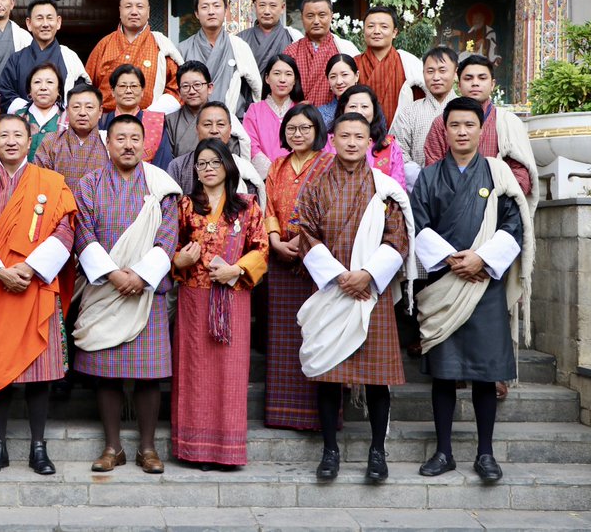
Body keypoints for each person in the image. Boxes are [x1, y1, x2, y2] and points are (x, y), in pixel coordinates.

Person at [411, 97, 533, 484]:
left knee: (485, 373)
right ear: (444, 131)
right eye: (455, 125)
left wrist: (481, 259)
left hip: (484, 284)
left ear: (482, 130)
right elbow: (419, 225)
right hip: (445, 284)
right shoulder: (429, 177)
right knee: (443, 373)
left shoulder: (498, 174)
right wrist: (452, 260)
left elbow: (513, 225)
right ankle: (443, 452)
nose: (462, 132)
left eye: (469, 125)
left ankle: (486, 454)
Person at [296, 112, 414, 483]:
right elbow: (306, 234)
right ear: (332, 140)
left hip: (371, 292)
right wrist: (339, 277)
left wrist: (367, 275)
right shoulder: (316, 186)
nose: (351, 142)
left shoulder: (385, 188)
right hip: (332, 289)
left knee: (377, 379)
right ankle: (330, 450)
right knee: (329, 375)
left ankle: (378, 451)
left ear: (369, 142)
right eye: (344, 135)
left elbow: (398, 238)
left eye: (359, 136)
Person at [0, 115, 77, 475]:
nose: (10, 141)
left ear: (30, 141)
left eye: (17, 135)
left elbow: (65, 230)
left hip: (36, 286)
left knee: (39, 370)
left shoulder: (51, 183)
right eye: (3, 135)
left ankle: (38, 448)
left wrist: (30, 268)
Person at [73, 115, 181, 474]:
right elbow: (83, 233)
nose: (129, 144)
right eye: (120, 138)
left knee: (149, 375)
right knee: (107, 373)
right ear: (108, 143)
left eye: (135, 138)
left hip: (147, 291)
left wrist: (141, 275)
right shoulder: (89, 184)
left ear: (145, 144)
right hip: (105, 288)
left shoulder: (160, 184)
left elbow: (169, 235)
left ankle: (147, 449)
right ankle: (112, 447)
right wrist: (114, 275)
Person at [171, 138, 267, 470]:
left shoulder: (247, 206)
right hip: (193, 301)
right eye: (202, 164)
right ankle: (194, 448)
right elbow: (168, 247)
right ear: (195, 171)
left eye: (215, 162)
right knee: (194, 371)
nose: (209, 168)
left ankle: (226, 450)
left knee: (230, 373)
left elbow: (262, 248)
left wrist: (236, 269)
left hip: (233, 298)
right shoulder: (185, 206)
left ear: (228, 166)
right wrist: (180, 259)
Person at [263, 104, 335, 430]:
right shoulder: (277, 165)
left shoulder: (329, 164)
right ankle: (281, 413)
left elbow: (331, 211)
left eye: (305, 128)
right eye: (292, 128)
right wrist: (275, 240)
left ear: (317, 131)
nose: (298, 133)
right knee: (284, 338)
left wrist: (304, 241)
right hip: (281, 259)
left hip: (316, 261)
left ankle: (317, 418)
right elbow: (268, 207)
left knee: (316, 335)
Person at [422, 55, 537, 205]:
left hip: (499, 205)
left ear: (492, 84)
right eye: (468, 78)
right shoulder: (441, 123)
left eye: (482, 78)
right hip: (451, 205)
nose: (475, 83)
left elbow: (522, 173)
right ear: (459, 85)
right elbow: (433, 168)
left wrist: (497, 200)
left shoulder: (508, 122)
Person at [87, 0, 182, 114]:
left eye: (140, 6)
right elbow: (87, 86)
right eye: (128, 6)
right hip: (106, 120)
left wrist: (149, 113)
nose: (134, 12)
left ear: (148, 12)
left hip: (149, 119)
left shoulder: (162, 45)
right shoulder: (104, 45)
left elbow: (177, 88)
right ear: (120, 11)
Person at [178, 0, 262, 117]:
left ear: (226, 11)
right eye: (205, 7)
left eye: (216, 6)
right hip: (193, 118)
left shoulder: (239, 46)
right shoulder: (183, 49)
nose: (211, 12)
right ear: (197, 14)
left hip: (232, 120)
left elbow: (255, 87)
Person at [0, 0, 88, 113]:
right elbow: (6, 94)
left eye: (49, 18)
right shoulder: (16, 59)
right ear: (29, 23)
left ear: (58, 22)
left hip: (62, 121)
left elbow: (81, 95)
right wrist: (32, 113)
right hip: (24, 121)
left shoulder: (70, 58)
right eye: (39, 18)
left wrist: (57, 115)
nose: (45, 24)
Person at [166, 101, 264, 201]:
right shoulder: (178, 166)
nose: (214, 130)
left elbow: (252, 207)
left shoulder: (245, 169)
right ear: (197, 130)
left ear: (230, 130)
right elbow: (169, 206)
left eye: (220, 124)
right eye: (207, 124)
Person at [392, 46, 459, 187]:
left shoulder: (467, 111)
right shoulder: (409, 112)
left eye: (442, 70)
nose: (436, 77)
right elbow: (398, 152)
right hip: (419, 187)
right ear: (423, 73)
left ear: (455, 73)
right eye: (430, 71)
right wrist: (424, 180)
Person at [283, 0, 360, 107]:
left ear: (331, 16)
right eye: (310, 16)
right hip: (299, 114)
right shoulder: (291, 51)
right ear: (302, 18)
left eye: (322, 15)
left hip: (338, 112)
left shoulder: (345, 48)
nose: (316, 21)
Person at [354, 6, 423, 127]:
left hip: (402, 134)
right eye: (370, 26)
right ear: (364, 30)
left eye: (384, 27)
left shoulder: (408, 63)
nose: (376, 31)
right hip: (360, 133)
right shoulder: (353, 64)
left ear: (394, 32)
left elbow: (420, 103)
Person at [35, 83, 109, 192]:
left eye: (89, 107)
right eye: (76, 107)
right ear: (67, 111)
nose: (82, 113)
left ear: (100, 111)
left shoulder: (109, 143)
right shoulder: (50, 141)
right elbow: (40, 181)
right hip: (57, 202)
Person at [97, 65, 173, 170]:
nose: (128, 91)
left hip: (147, 178)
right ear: (113, 91)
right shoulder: (101, 121)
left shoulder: (156, 122)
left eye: (134, 86)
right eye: (122, 86)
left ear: (142, 91)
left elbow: (163, 160)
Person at [333, 84, 407, 189]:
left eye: (364, 106)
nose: (359, 111)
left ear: (374, 111)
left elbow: (398, 188)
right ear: (343, 109)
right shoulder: (329, 141)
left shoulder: (388, 145)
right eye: (353, 106)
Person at [243, 53, 304, 176]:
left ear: (295, 80)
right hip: (265, 178)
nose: (282, 79)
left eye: (288, 74)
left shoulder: (303, 110)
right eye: (277, 73)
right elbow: (251, 146)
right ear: (267, 78)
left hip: (299, 176)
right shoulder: (254, 110)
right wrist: (274, 174)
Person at [238, 0, 302, 71]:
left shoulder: (294, 38)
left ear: (282, 8)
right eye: (262, 5)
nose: (267, 11)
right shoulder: (240, 39)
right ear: (255, 7)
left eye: (273, 5)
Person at [165, 60, 216, 159]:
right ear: (179, 91)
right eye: (185, 86)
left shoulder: (223, 117)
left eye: (197, 85)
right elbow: (166, 159)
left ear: (209, 88)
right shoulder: (169, 121)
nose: (192, 91)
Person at [15, 62, 65, 161]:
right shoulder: (17, 117)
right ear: (29, 89)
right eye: (37, 82)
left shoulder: (68, 118)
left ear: (58, 89)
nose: (43, 87)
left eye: (50, 82)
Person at [318, 54, 360, 128]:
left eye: (344, 74)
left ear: (356, 76)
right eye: (333, 77)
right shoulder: (320, 114)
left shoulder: (370, 108)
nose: (339, 81)